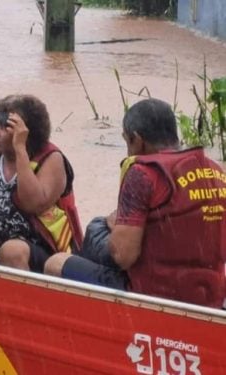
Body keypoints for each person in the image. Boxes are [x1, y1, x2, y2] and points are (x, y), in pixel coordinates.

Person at [45, 98, 226, 308]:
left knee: (57, 262)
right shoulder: (215, 171)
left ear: (137, 140)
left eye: (127, 142)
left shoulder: (143, 173)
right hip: (208, 294)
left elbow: (123, 256)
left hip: (152, 294)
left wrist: (115, 227)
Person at [0, 94, 83, 271]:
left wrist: (20, 149)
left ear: (26, 133)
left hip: (41, 256)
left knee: (12, 251)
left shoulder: (51, 159)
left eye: (4, 127)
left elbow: (33, 204)